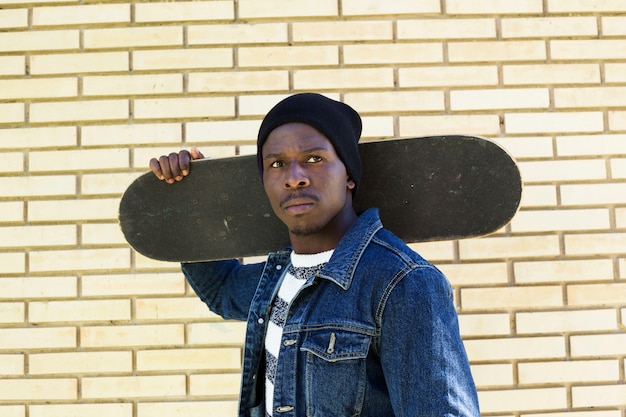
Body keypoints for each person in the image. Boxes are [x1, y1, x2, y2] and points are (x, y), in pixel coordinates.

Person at [150, 93, 480, 417]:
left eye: (314, 159)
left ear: (348, 174)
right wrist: (190, 199)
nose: (294, 178)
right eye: (277, 164)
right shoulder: (280, 274)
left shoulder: (403, 285)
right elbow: (222, 291)